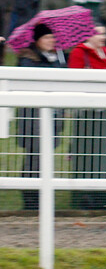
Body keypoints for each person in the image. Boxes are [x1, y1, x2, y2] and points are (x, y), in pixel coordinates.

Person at [16, 24, 65, 210]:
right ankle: (30, 198)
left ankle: (39, 196)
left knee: (44, 156)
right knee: (33, 157)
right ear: (37, 40)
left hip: (51, 115)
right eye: (47, 38)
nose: (51, 41)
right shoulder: (28, 58)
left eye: (52, 38)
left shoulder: (56, 57)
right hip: (33, 117)